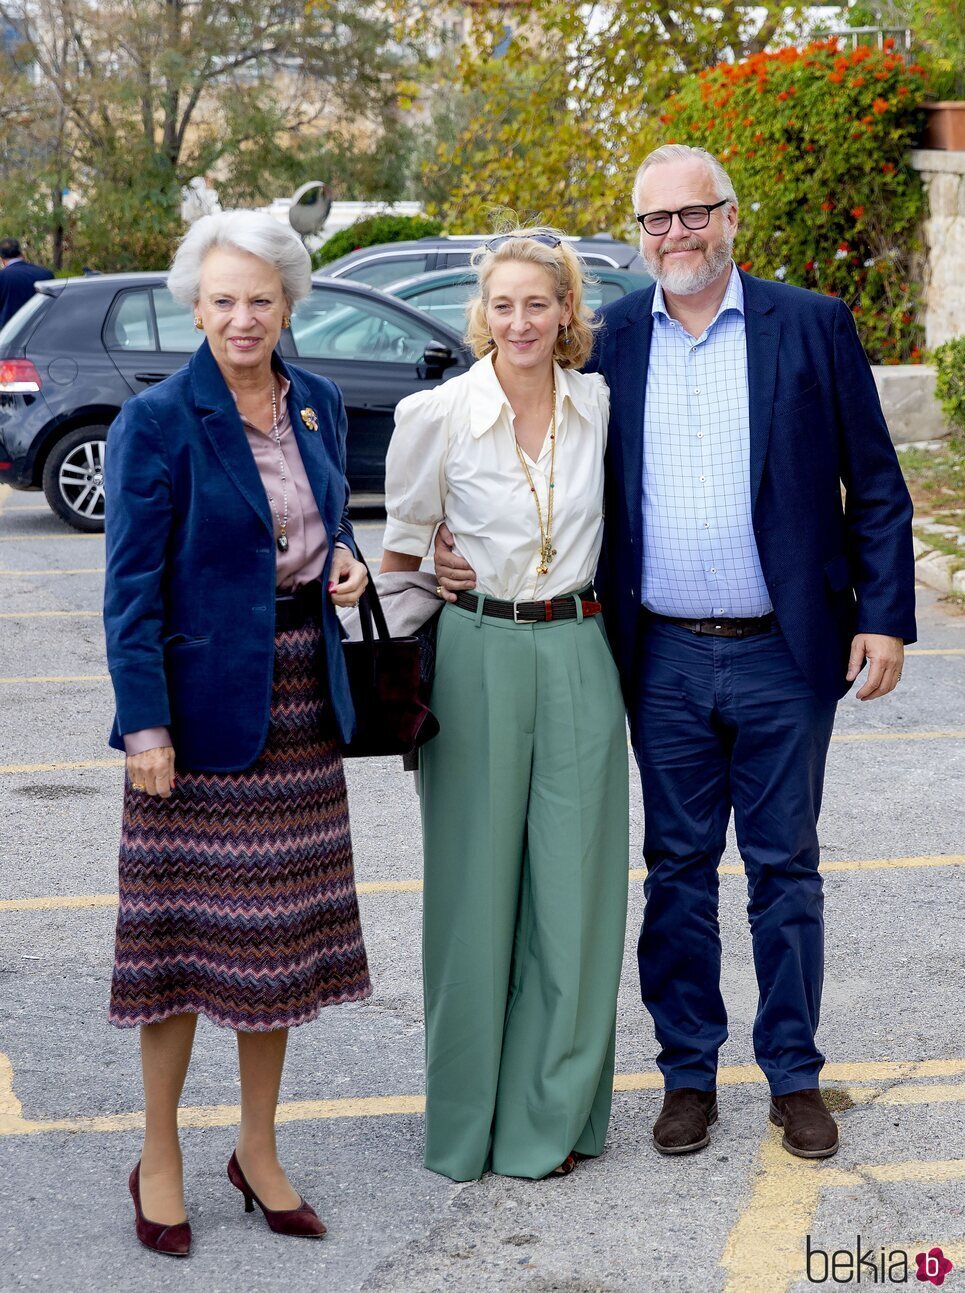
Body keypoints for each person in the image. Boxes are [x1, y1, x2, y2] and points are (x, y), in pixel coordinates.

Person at [434, 147, 916, 1162]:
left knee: (785, 869)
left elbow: (872, 484)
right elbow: (528, 450)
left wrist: (885, 616)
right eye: (654, 221)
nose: (674, 236)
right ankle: (686, 1075)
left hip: (790, 656)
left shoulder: (811, 326)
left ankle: (792, 1074)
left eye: (692, 215)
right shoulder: (609, 350)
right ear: (637, 233)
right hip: (661, 660)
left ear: (728, 218)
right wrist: (448, 543)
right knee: (677, 871)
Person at [103, 210, 370, 1257]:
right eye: (222, 299)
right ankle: (159, 1151)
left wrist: (343, 554)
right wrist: (143, 726)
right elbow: (127, 588)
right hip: (194, 720)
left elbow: (324, 521)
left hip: (301, 702)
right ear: (195, 305)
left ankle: (256, 1149)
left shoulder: (317, 405)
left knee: (276, 952)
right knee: (174, 951)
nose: (242, 316)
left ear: (287, 301)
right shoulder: (161, 421)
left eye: (260, 297)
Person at [382, 229, 629, 1182]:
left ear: (568, 311)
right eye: (502, 303)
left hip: (578, 649)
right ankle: (465, 1122)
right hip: (475, 651)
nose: (519, 320)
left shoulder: (600, 403)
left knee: (575, 898)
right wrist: (432, 579)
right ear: (480, 312)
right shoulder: (436, 415)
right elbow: (399, 558)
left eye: (539, 302)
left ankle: (550, 1115)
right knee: (473, 900)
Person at [0, 238, 54, 329]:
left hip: (9, 334)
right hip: (41, 332)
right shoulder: (45, 274)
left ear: (1, 259)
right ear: (21, 254)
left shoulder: (2, 277)